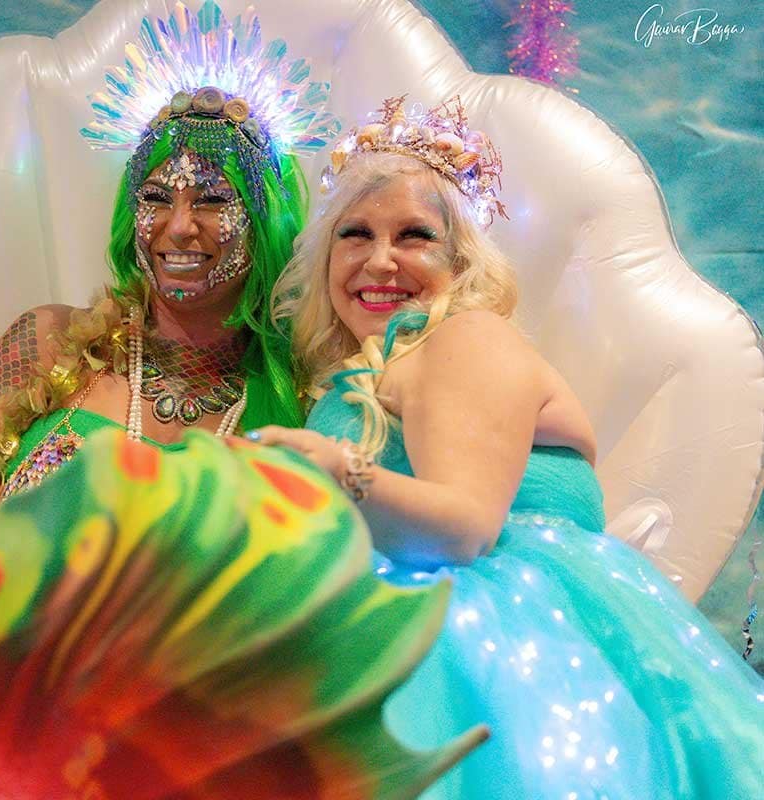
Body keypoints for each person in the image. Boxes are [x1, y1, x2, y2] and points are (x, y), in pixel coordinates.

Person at [254, 95, 764, 798]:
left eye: (413, 236)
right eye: (355, 234)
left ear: (461, 261)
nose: (380, 261)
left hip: (496, 661)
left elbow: (463, 529)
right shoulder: (357, 377)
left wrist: (335, 471)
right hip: (381, 643)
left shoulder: (466, 338)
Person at [0, 2, 346, 518]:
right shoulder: (44, 340)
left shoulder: (305, 396)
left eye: (213, 200)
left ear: (264, 222)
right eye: (157, 199)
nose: (180, 226)